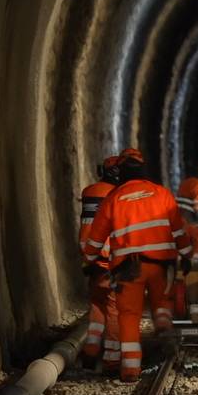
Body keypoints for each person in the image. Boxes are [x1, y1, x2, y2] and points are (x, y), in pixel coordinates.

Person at [83, 148, 193, 382]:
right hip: (160, 263)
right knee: (162, 300)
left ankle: (130, 369)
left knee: (129, 316)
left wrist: (91, 260)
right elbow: (178, 229)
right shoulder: (161, 193)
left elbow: (95, 239)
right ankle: (163, 323)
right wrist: (186, 255)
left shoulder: (113, 199)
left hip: (127, 268)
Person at [79, 155, 121, 373]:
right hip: (111, 261)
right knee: (114, 310)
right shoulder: (118, 195)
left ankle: (90, 352)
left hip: (91, 260)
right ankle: (112, 360)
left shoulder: (89, 192)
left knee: (97, 308)